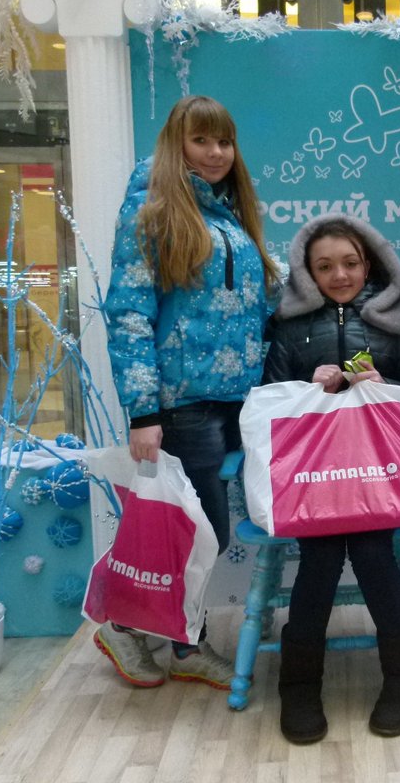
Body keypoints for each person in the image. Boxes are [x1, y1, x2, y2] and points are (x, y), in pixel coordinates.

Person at [101, 95, 281, 689]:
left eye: (223, 141)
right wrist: (143, 410)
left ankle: (167, 636)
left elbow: (256, 304)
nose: (215, 152)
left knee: (199, 530)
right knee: (196, 530)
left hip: (235, 399)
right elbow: (129, 313)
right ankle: (149, 636)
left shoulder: (230, 216)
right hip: (183, 401)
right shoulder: (151, 211)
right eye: (201, 140)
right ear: (176, 145)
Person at [263, 213, 400, 743]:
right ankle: (298, 685)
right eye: (325, 266)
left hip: (378, 477)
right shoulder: (289, 325)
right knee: (321, 559)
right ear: (306, 272)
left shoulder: (394, 321)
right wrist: (308, 390)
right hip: (314, 481)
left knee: (376, 556)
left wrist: (384, 386)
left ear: (369, 264)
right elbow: (268, 402)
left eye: (350, 263)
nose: (340, 275)